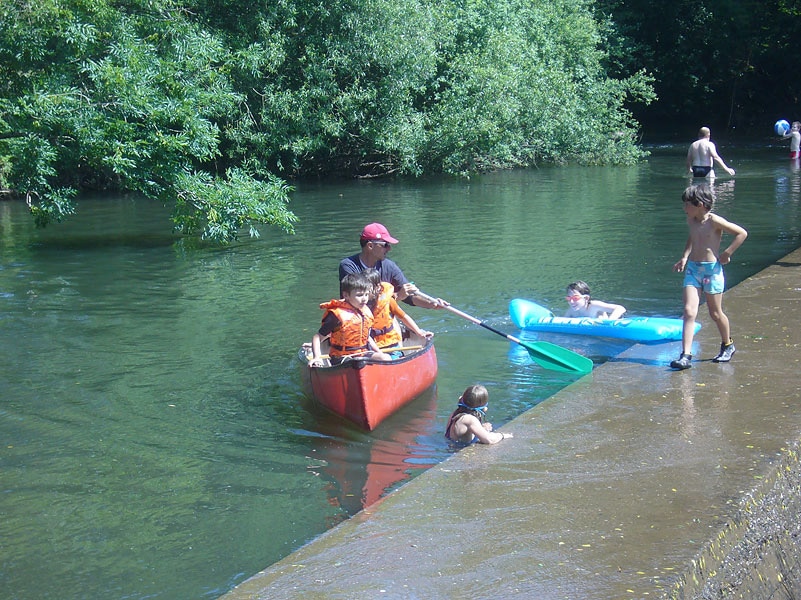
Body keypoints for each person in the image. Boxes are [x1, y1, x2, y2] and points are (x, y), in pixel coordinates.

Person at [670, 185, 748, 370]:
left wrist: (727, 253)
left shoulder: (714, 221)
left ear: (700, 204)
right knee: (689, 311)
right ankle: (686, 355)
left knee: (715, 313)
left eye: (687, 204)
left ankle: (728, 345)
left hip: (712, 271)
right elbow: (692, 237)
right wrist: (684, 256)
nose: (684, 208)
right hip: (693, 270)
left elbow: (741, 233)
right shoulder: (692, 220)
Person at [339, 222, 447, 309]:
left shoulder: (389, 266)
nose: (389, 249)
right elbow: (359, 303)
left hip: (382, 322)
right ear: (370, 246)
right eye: (385, 245)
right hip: (358, 322)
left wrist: (432, 303)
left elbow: (409, 296)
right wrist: (399, 296)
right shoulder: (348, 266)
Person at [309, 273, 392, 367]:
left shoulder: (366, 311)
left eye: (366, 294)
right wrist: (317, 357)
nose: (364, 299)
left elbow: (367, 337)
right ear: (346, 295)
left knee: (386, 358)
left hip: (362, 354)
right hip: (341, 357)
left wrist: (379, 352)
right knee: (355, 363)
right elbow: (317, 337)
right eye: (359, 295)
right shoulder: (336, 315)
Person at [362, 268, 433, 351]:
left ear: (378, 287)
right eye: (362, 289)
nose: (364, 292)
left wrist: (419, 333)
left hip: (390, 344)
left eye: (367, 289)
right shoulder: (359, 304)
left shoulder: (388, 301)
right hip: (370, 346)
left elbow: (403, 317)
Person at [445, 384, 513, 445]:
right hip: (458, 454)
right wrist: (502, 435)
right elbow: (489, 440)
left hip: (450, 449)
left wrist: (481, 428)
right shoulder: (469, 419)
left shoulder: (456, 413)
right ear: (484, 407)